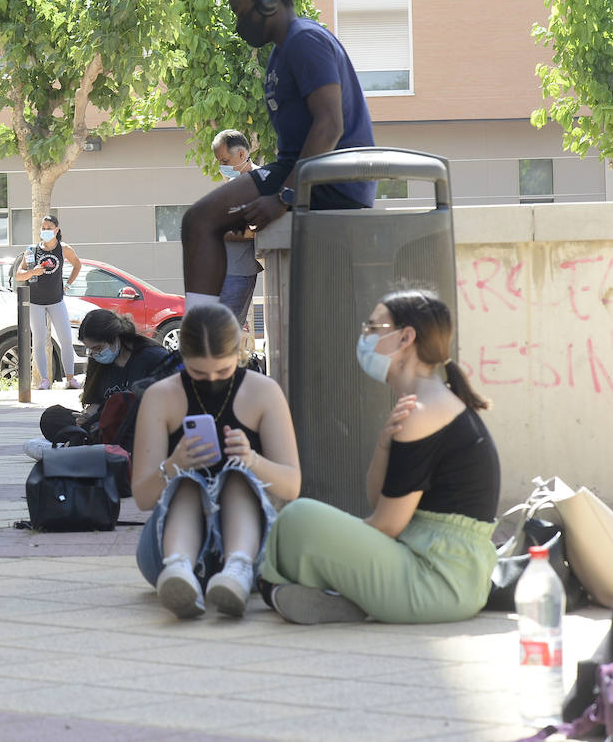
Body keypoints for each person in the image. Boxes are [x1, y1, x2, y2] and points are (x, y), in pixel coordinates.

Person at [259, 289, 500, 625]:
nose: (366, 337)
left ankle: (332, 593)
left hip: (435, 583)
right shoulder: (427, 402)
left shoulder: (423, 410)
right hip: (451, 581)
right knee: (301, 527)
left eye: (373, 328)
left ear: (405, 337)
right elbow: (379, 499)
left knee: (298, 517)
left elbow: (386, 524)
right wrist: (385, 445)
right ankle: (343, 596)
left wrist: (338, 544)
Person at [180, 0, 376, 310]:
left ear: (269, 1)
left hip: (330, 181)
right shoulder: (280, 55)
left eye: (242, 13)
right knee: (205, 221)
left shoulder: (305, 41)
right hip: (298, 174)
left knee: (199, 220)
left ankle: (203, 348)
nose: (240, 25)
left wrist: (285, 196)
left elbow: (330, 125)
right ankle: (208, 342)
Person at [131, 303, 301, 618]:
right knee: (189, 480)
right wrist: (175, 464)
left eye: (223, 372)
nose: (211, 380)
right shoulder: (161, 396)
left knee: (236, 477)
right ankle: (179, 569)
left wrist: (251, 460)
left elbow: (291, 486)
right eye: (197, 373)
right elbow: (142, 496)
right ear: (182, 359)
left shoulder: (264, 392)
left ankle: (236, 569)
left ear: (240, 355)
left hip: (251, 549)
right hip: (168, 547)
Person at [25, 309, 172, 459]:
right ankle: (80, 446)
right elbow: (95, 403)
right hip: (103, 424)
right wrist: (85, 418)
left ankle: (75, 448)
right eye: (91, 350)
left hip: (140, 424)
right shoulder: (100, 361)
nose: (95, 354)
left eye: (98, 348)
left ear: (115, 338)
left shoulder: (151, 357)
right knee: (53, 416)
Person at [15, 214, 80, 390]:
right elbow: (18, 275)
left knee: (66, 338)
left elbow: (77, 264)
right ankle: (44, 380)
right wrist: (32, 273)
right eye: (43, 228)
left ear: (57, 230)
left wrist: (67, 285)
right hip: (36, 301)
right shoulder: (31, 250)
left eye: (49, 228)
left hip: (56, 300)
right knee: (39, 340)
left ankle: (70, 378)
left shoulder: (63, 249)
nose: (45, 231)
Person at [212, 129, 261, 328]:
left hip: (238, 271)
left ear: (241, 154)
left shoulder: (258, 182)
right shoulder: (235, 181)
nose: (222, 166)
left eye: (224, 161)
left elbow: (256, 229)